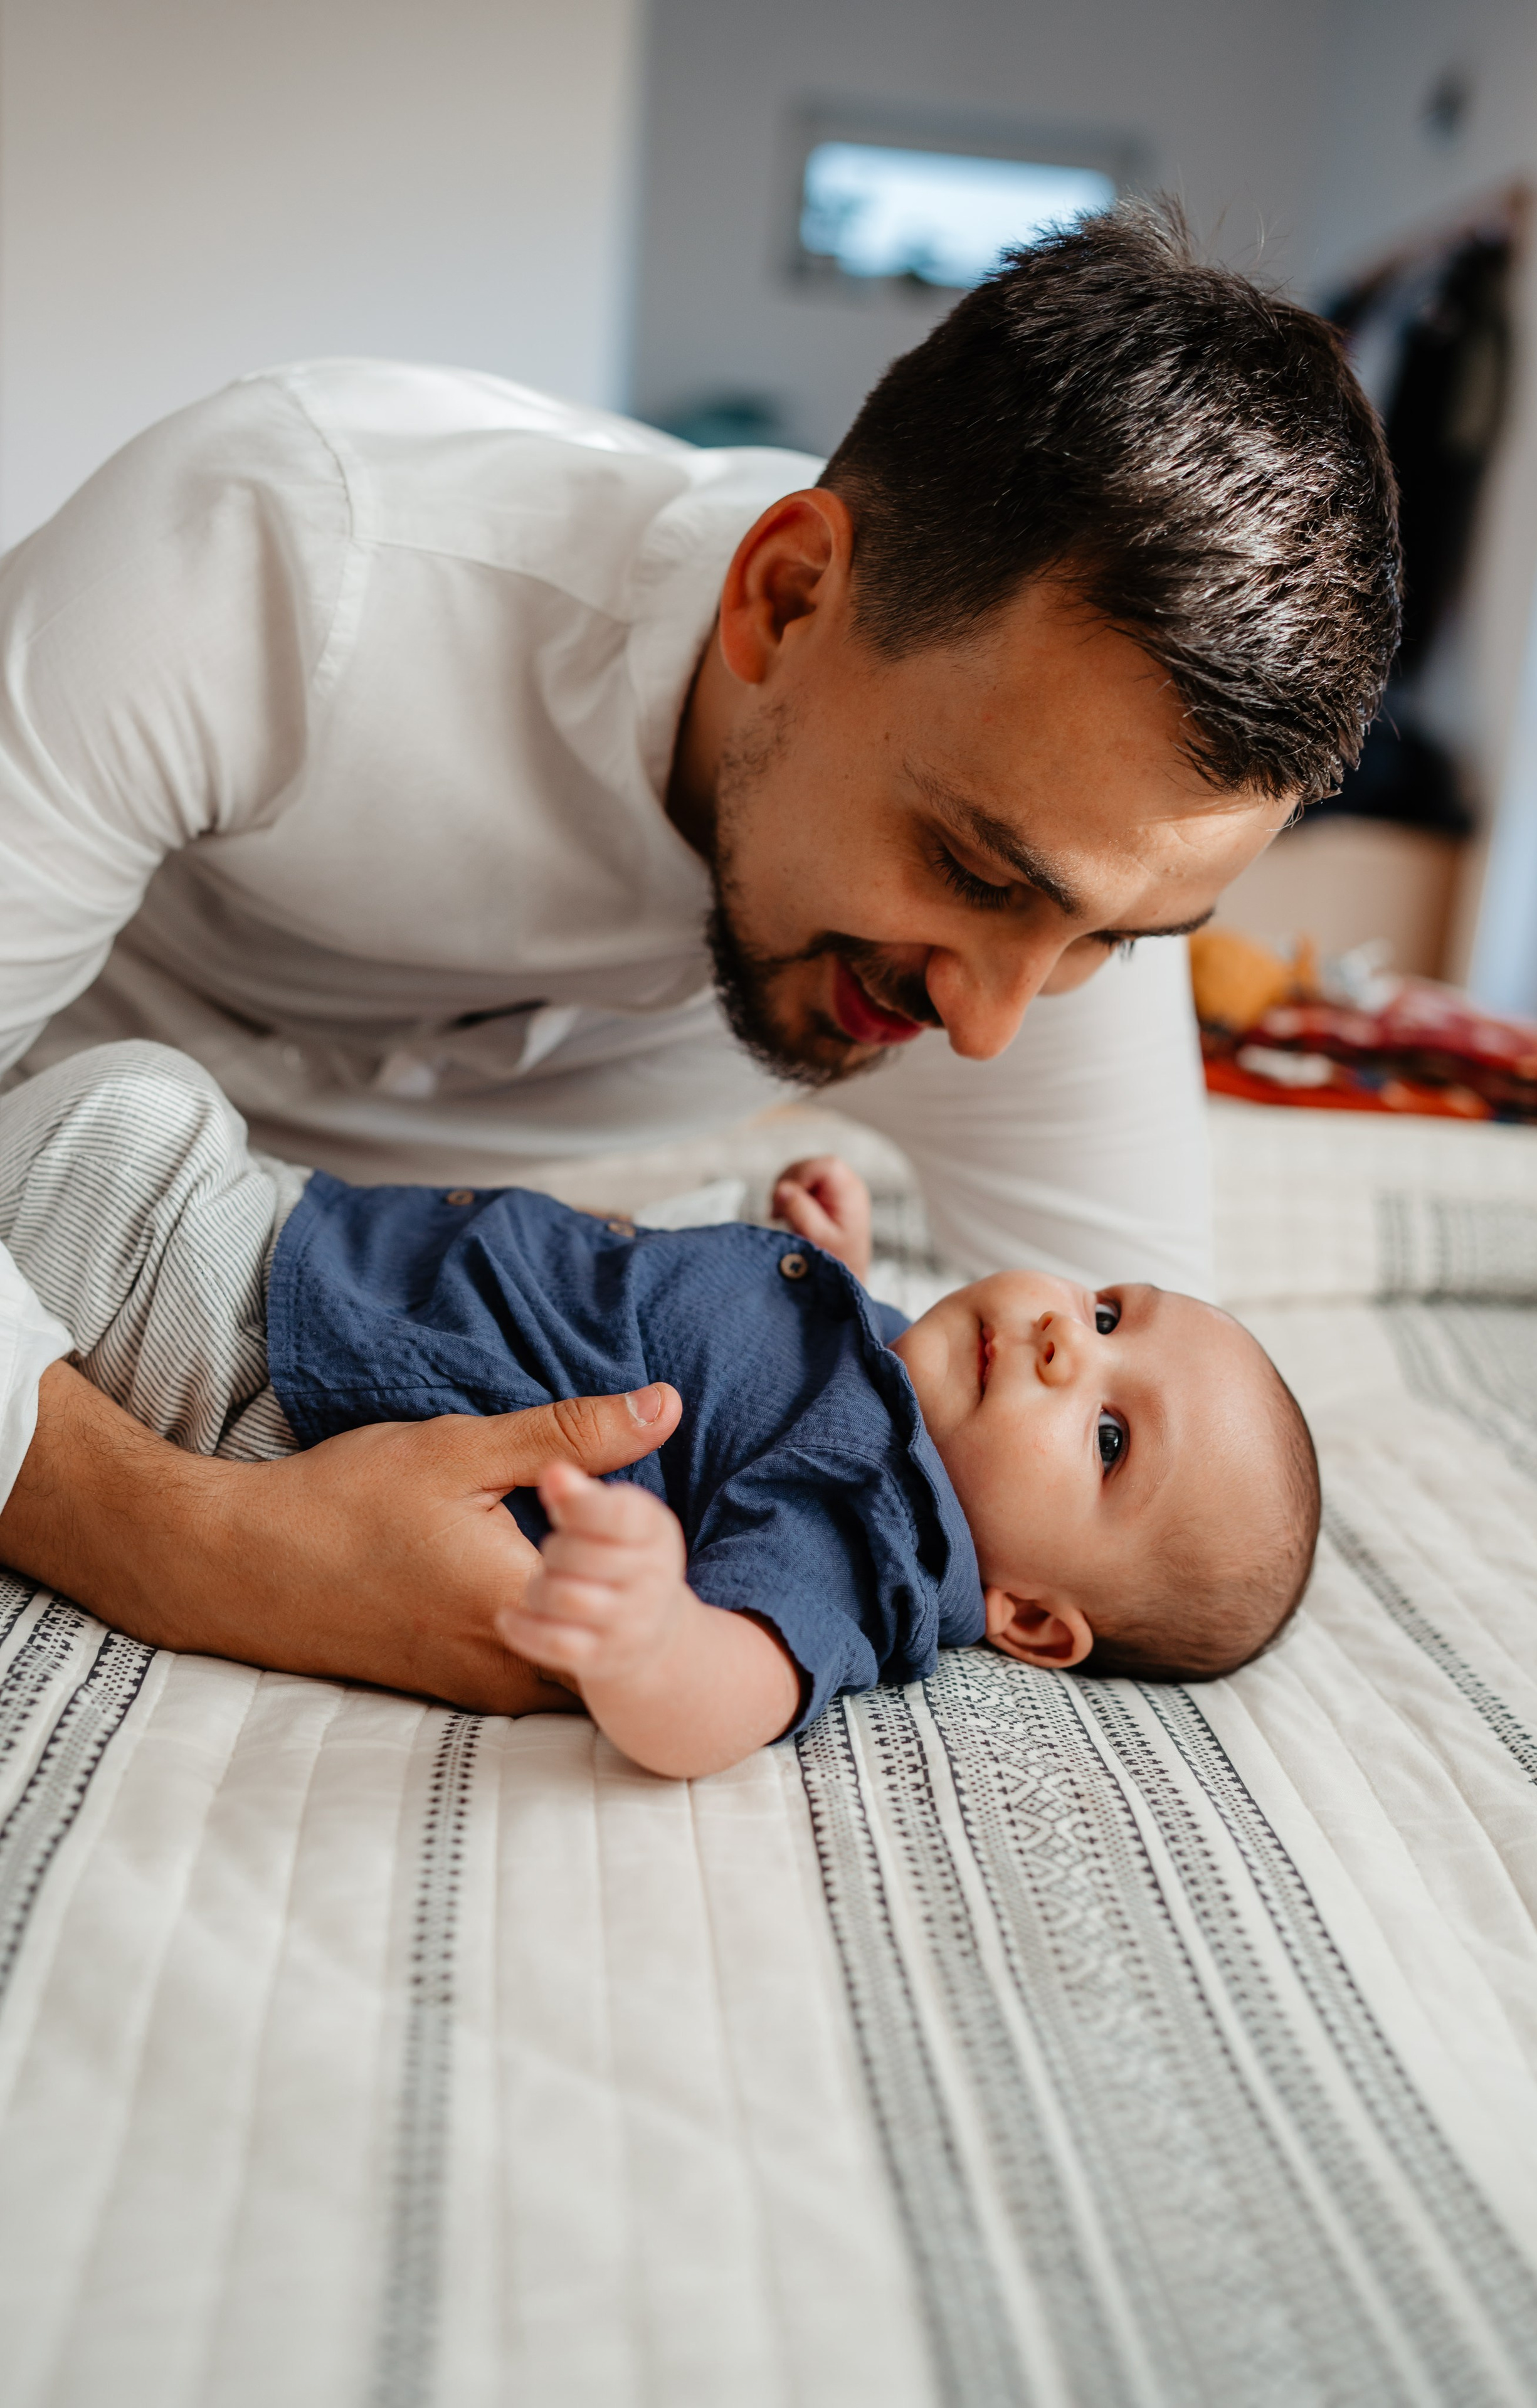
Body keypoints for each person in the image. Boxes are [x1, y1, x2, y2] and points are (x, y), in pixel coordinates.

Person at [0, 203, 1396, 1710]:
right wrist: (190, 1547)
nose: (994, 1026)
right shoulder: (265, 557)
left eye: (1118, 940)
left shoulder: (1057, 891)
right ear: (784, 596)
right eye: (973, 870)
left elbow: (1131, 1523)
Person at [0, 1045, 1318, 1773]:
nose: (1054, 1345)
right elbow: (764, 1384)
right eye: (1101, 1315)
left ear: (1029, 1619)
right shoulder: (888, 1380)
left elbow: (732, 1690)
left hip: (263, 1357)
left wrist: (648, 1635)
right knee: (130, 1104)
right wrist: (835, 1275)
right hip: (308, 1252)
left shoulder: (862, 1538)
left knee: (116, 1127)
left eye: (1104, 1437)